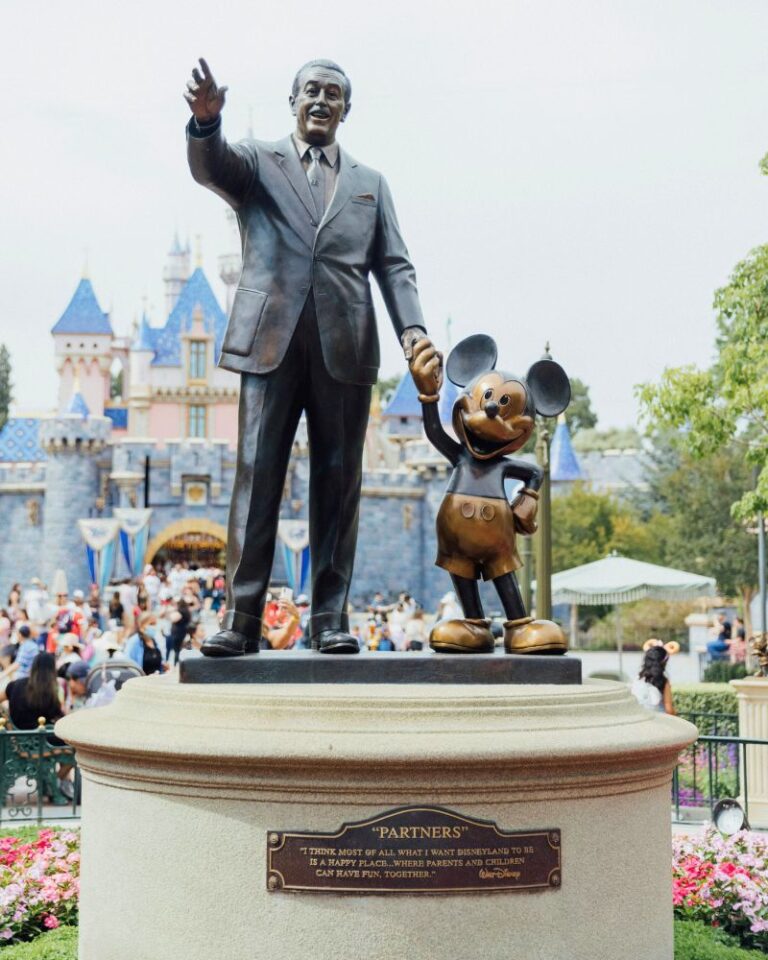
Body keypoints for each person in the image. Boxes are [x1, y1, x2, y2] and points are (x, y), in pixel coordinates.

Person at [185, 56, 439, 657]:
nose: (321, 101)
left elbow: (394, 266)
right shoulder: (256, 163)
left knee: (338, 482)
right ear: (292, 101)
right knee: (256, 479)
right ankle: (242, 620)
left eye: (333, 94)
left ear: (346, 109)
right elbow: (210, 167)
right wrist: (205, 124)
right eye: (311, 91)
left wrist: (414, 333)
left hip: (345, 349)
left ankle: (330, 617)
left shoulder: (370, 185)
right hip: (268, 344)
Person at [0, 652, 64, 729]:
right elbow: (58, 717)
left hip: (17, 735)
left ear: (33, 666)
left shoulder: (15, 685)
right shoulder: (52, 690)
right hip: (42, 738)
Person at [631, 641, 676, 715]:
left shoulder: (637, 679)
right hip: (659, 721)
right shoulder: (663, 681)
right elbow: (669, 710)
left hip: (640, 718)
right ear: (663, 663)